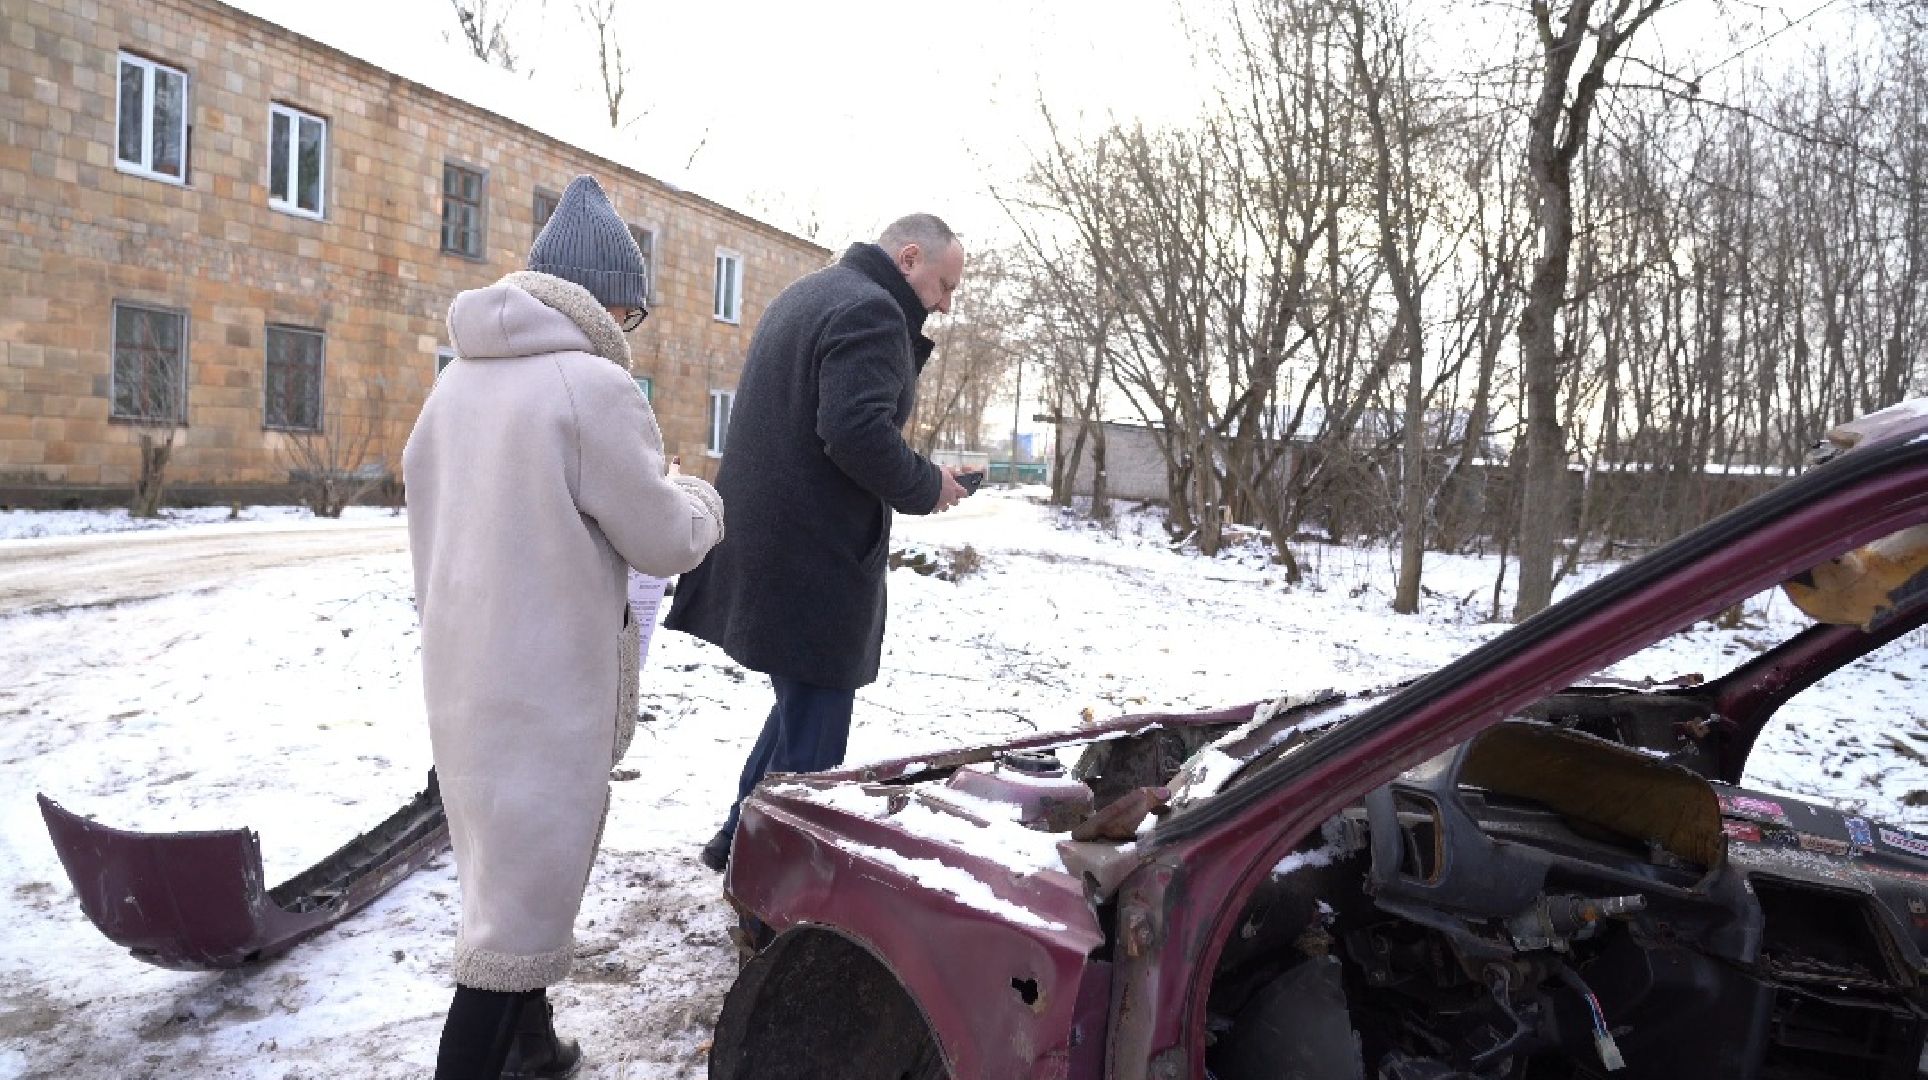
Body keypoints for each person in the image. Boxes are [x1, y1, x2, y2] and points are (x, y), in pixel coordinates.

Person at [404, 174, 726, 1080]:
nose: (631, 329)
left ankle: (535, 1053)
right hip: (546, 691)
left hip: (465, 678)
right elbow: (662, 537)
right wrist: (699, 497)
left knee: (507, 890)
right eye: (634, 311)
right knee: (509, 937)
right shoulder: (590, 388)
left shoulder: (454, 386)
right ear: (611, 299)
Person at [665, 213, 972, 873]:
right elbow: (854, 430)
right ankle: (771, 891)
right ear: (910, 258)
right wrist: (927, 485)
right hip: (812, 559)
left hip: (773, 546)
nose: (945, 305)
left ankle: (735, 843)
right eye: (944, 286)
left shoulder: (812, 293)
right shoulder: (870, 311)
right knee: (815, 741)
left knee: (799, 707)